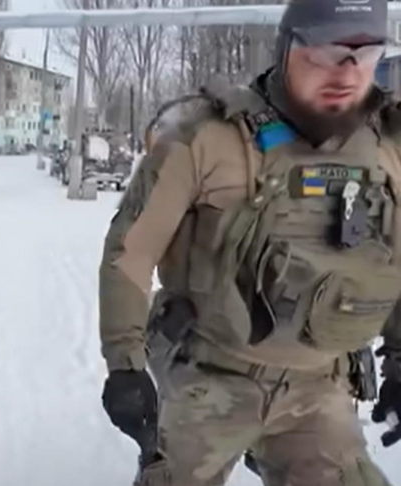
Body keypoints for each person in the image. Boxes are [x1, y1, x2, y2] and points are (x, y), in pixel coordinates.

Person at [98, 0, 401, 485]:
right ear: (288, 48)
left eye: (365, 54)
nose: (348, 73)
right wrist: (125, 364)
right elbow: (131, 252)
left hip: (318, 386)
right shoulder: (206, 138)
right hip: (208, 375)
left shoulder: (387, 147)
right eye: (329, 52)